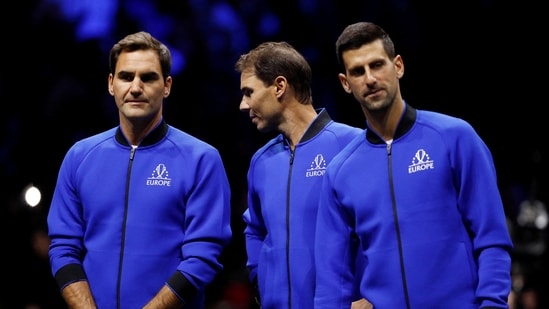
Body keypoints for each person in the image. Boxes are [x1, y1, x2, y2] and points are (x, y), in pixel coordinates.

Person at [313, 21, 514, 308]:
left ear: (398, 66)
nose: (369, 78)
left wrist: (492, 304)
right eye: (358, 71)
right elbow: (332, 279)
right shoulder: (339, 171)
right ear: (346, 83)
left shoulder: (454, 138)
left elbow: (492, 237)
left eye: (377, 65)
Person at [47, 31, 232, 308]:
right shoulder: (80, 156)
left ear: (167, 86)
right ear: (111, 84)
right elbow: (63, 248)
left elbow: (203, 256)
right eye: (126, 76)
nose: (135, 87)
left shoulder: (201, 159)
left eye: (148, 77)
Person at [234, 41, 366, 309]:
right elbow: (255, 229)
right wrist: (262, 280)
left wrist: (370, 296)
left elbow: (384, 229)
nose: (242, 105)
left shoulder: (353, 146)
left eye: (249, 92)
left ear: (279, 87)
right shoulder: (261, 162)